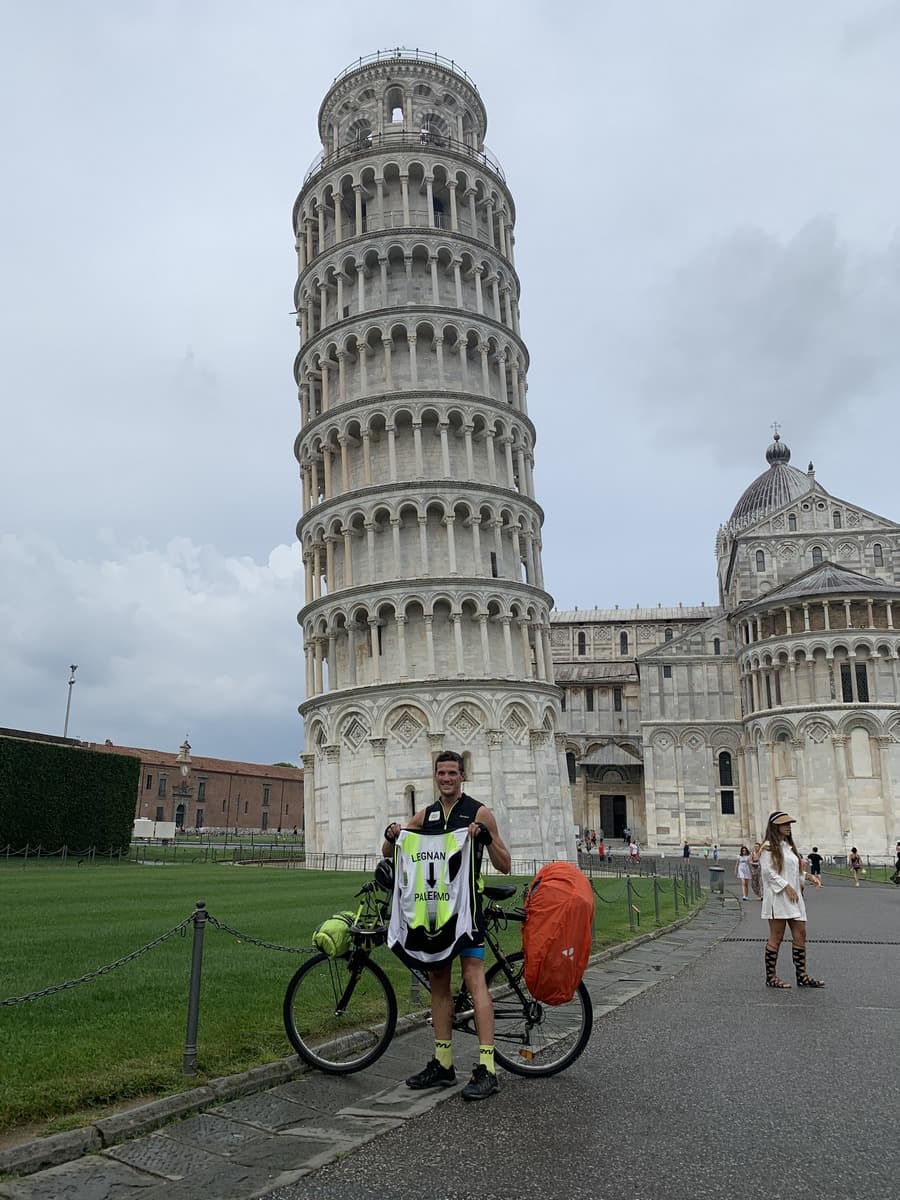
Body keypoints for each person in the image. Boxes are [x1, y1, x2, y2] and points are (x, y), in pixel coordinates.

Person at [382, 750, 511, 1100]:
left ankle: (487, 1068)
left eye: (453, 773)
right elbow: (389, 850)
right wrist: (392, 834)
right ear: (435, 776)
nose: (447, 778)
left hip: (467, 910)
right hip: (436, 914)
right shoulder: (428, 814)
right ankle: (443, 1063)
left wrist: (484, 836)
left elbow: (505, 863)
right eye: (441, 773)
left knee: (474, 978)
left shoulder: (479, 811)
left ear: (462, 775)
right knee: (439, 982)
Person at [759, 811, 824, 988]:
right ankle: (771, 977)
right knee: (777, 937)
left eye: (789, 824)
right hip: (778, 897)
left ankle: (802, 976)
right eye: (784, 824)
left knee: (801, 934)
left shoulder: (788, 847)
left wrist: (809, 877)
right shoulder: (767, 848)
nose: (788, 827)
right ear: (775, 826)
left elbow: (793, 871)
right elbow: (768, 872)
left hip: (795, 897)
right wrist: (786, 886)